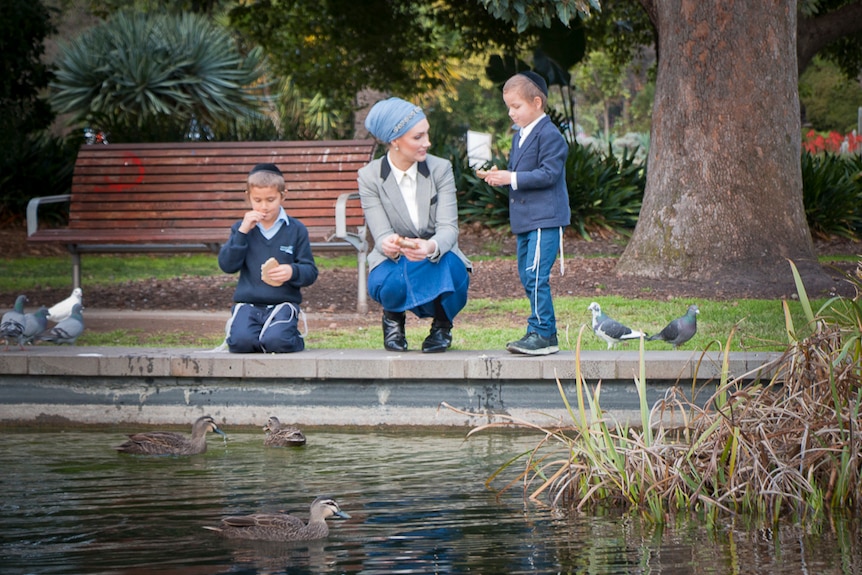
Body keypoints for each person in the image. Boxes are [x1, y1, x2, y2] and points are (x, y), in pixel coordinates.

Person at [358, 97, 472, 353]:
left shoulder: (440, 169)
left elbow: (449, 230)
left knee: (454, 271)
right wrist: (389, 243)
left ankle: (442, 326)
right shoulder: (369, 177)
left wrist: (431, 246)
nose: (427, 143)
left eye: (427, 134)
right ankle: (393, 318)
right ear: (395, 141)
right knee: (389, 280)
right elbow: (381, 232)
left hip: (434, 256)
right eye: (418, 137)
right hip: (394, 260)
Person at [477, 72, 570, 355]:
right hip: (526, 221)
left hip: (545, 219)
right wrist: (499, 176)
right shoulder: (520, 137)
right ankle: (543, 330)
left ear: (537, 102)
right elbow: (518, 173)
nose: (511, 113)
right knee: (526, 274)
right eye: (509, 107)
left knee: (535, 274)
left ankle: (542, 333)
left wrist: (512, 178)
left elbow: (549, 174)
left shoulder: (550, 135)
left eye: (516, 106)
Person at [217, 163, 319, 353]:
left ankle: (289, 336)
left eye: (270, 200)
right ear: (248, 197)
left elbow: (311, 271)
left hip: (283, 303)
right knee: (240, 343)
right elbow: (227, 265)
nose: (264, 206)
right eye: (257, 200)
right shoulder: (242, 229)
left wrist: (292, 271)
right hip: (248, 304)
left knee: (277, 342)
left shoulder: (296, 229)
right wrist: (242, 232)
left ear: (283, 195)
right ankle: (256, 336)